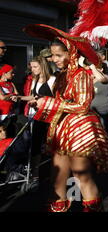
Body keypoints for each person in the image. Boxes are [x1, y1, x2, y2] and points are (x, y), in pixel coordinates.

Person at [24, 24, 108, 212]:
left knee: (80, 175)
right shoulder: (61, 76)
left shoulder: (82, 76)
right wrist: (40, 102)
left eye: (59, 55)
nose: (54, 59)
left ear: (71, 54)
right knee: (57, 177)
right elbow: (57, 101)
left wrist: (48, 103)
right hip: (61, 128)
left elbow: (83, 106)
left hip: (80, 129)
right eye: (52, 55)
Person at [18, 56, 56, 187]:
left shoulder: (52, 80)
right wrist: (19, 98)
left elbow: (56, 100)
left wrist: (40, 103)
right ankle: (35, 176)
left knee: (51, 146)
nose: (32, 69)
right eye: (31, 67)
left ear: (43, 66)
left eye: (35, 67)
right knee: (35, 146)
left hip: (49, 118)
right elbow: (33, 96)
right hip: (36, 117)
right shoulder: (35, 79)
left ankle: (57, 174)